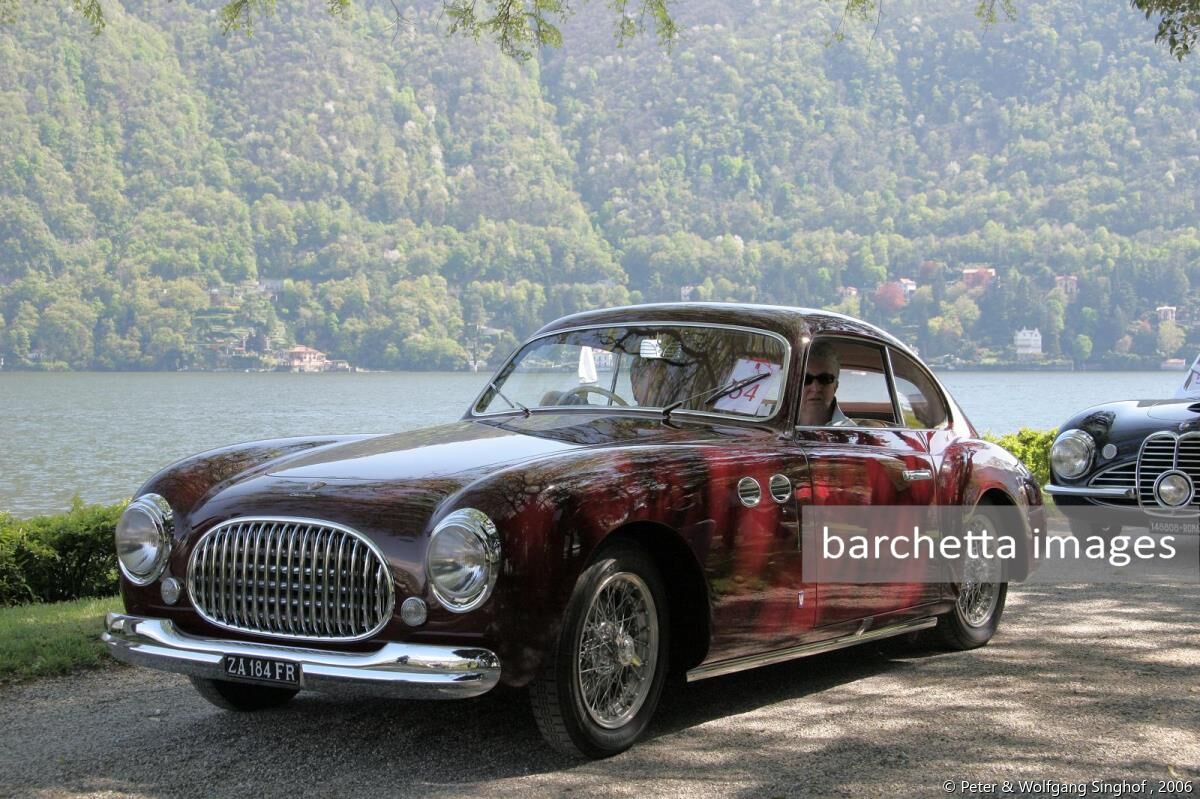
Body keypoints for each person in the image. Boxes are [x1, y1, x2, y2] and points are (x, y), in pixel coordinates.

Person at [798, 341, 852, 426]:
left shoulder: (852, 433)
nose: (815, 388)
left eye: (824, 379)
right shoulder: (773, 429)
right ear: (792, 386)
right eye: (806, 379)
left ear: (835, 386)